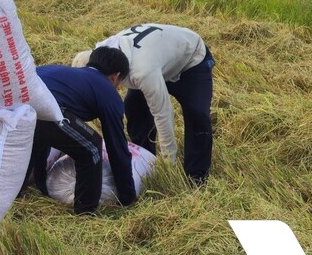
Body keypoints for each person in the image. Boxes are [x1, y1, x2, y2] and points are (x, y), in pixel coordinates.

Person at [75, 23, 214, 183]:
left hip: (190, 59)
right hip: (157, 58)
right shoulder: (95, 56)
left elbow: (163, 114)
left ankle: (197, 176)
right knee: (134, 108)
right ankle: (145, 159)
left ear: (116, 76)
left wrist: (169, 164)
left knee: (197, 114)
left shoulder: (142, 71)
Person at [27, 48, 139, 213]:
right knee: (92, 147)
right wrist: (127, 195)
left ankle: (36, 188)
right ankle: (85, 211)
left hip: (16, 108)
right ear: (116, 76)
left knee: (40, 139)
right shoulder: (107, 91)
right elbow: (117, 147)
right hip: (48, 108)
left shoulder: (59, 70)